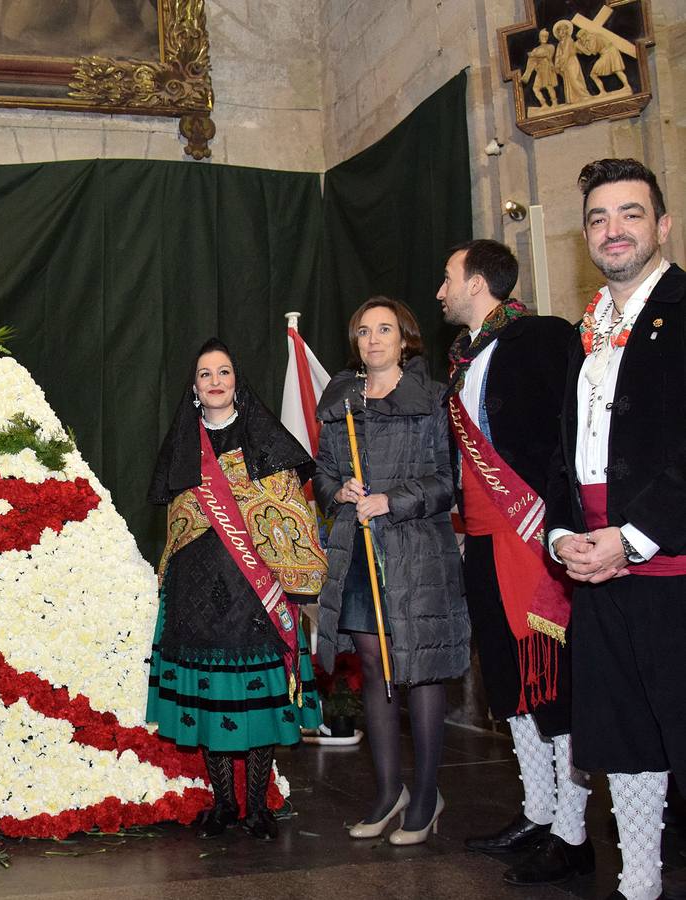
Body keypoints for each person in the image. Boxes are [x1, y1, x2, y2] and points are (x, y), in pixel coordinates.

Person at [546, 158, 682, 900]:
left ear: (661, 225)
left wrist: (631, 538)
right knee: (625, 740)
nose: (613, 229)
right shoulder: (583, 333)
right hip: (595, 567)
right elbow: (567, 454)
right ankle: (639, 882)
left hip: (669, 564)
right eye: (598, 218)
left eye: (630, 213)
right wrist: (562, 534)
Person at [439, 240, 591, 883]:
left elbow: (569, 436)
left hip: (532, 538)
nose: (440, 291)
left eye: (448, 279)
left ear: (477, 283)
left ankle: (575, 832)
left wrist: (565, 520)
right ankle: (537, 809)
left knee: (551, 685)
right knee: (510, 684)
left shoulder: (538, 339)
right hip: (480, 539)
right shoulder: (461, 362)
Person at [146, 338, 327, 839]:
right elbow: (178, 522)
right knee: (212, 702)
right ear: (195, 388)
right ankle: (225, 804)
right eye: (205, 374)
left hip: (255, 592)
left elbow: (288, 514)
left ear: (236, 381)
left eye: (223, 371)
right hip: (197, 591)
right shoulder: (184, 446)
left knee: (259, 704)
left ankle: (258, 807)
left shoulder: (264, 439)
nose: (215, 380)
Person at [314, 297, 469, 845]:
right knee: (375, 667)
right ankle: (388, 792)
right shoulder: (340, 400)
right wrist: (341, 491)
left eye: (385, 330)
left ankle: (426, 798)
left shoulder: (431, 398)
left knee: (420, 668)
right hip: (358, 552)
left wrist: (389, 501)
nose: (374, 339)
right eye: (364, 331)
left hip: (417, 552)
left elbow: (447, 482)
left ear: (405, 338)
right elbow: (324, 473)